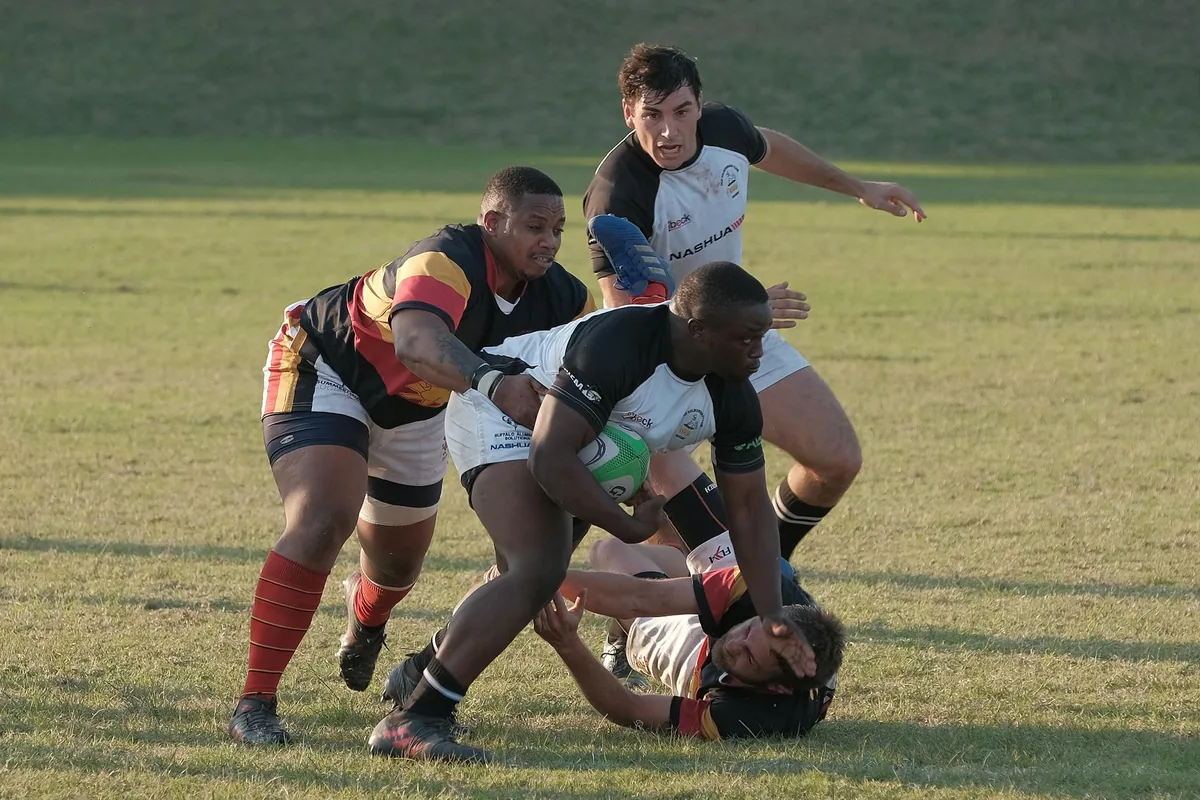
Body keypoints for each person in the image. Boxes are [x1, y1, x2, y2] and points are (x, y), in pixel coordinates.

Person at [367, 254, 819, 764]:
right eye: (747, 337)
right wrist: (625, 526)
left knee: (529, 571)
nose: (760, 351)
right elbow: (548, 455)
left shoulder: (732, 391)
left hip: (584, 438)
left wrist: (774, 615)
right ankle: (416, 719)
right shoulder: (620, 344)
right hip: (507, 415)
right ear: (698, 331)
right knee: (539, 568)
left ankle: (422, 670)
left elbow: (752, 511)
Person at [228, 166, 596, 746]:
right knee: (323, 519)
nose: (548, 241)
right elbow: (417, 342)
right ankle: (255, 703)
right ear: (492, 222)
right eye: (533, 226)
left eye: (557, 228)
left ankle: (366, 616)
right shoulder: (445, 260)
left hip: (425, 405)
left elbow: (585, 371)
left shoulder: (563, 296)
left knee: (397, 566)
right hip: (328, 367)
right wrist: (494, 382)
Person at [583, 44, 927, 572]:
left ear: (701, 105)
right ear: (629, 113)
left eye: (681, 111)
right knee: (677, 532)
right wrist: (734, 309)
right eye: (652, 115)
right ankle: (630, 633)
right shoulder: (616, 197)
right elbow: (631, 318)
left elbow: (769, 149)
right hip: (657, 367)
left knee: (835, 460)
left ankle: (767, 564)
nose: (669, 131)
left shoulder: (725, 131)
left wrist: (857, 187)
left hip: (739, 335)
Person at [533, 535, 844, 740]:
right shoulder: (764, 593)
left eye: (749, 656)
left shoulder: (744, 716)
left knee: (608, 552)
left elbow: (630, 709)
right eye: (749, 629)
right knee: (609, 548)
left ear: (775, 686)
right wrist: (533, 579)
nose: (734, 643)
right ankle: (671, 544)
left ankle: (623, 635)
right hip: (745, 608)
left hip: (692, 657)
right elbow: (641, 595)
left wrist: (567, 643)